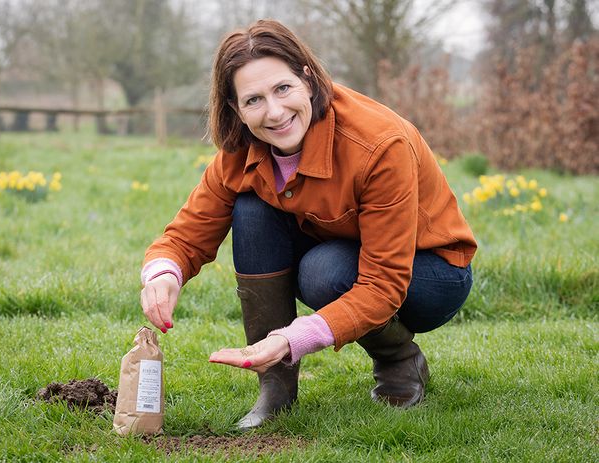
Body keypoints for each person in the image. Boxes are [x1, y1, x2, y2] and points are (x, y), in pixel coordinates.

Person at [140, 19, 476, 431]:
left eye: (282, 88)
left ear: (309, 78)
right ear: (236, 109)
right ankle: (276, 389)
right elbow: (187, 232)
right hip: (340, 252)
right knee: (252, 209)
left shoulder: (379, 144)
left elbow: (385, 282)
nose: (275, 112)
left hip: (432, 273)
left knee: (324, 273)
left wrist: (292, 338)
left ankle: (398, 360)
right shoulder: (243, 146)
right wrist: (163, 273)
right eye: (254, 100)